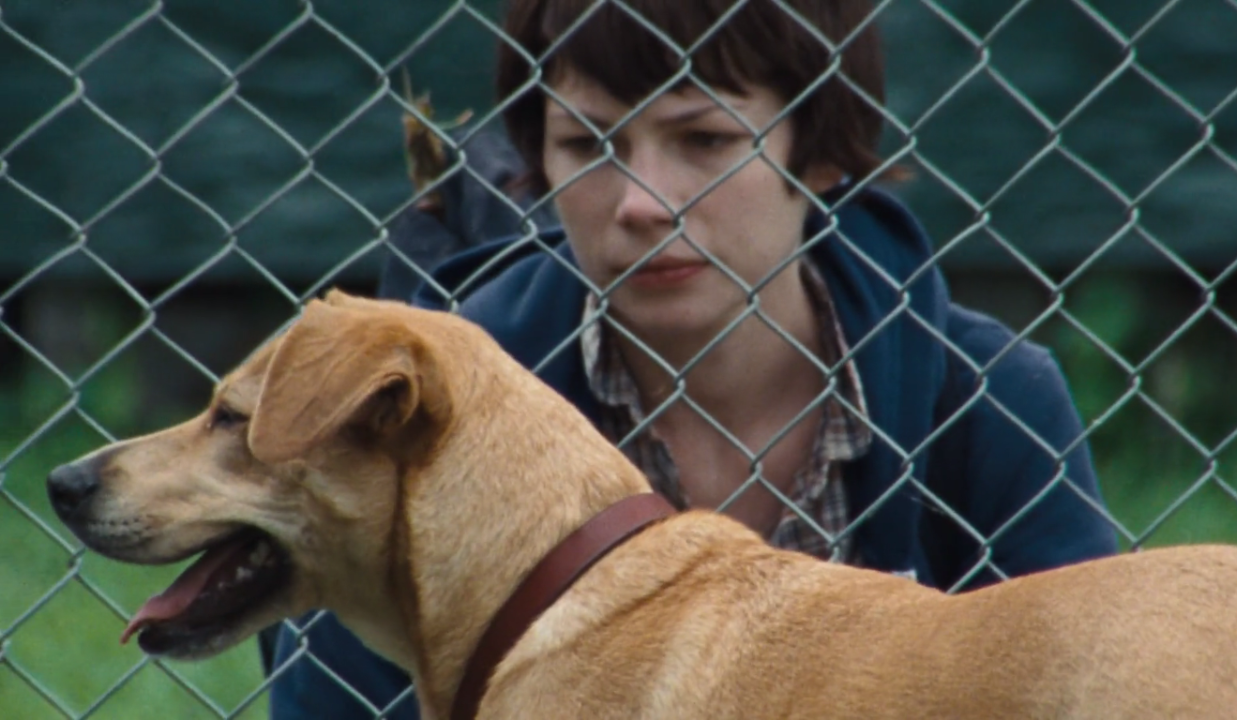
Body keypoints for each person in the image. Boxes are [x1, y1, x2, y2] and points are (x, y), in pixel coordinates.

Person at [266, 0, 1117, 717]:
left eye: (704, 138)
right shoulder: (416, 418)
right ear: (537, 161)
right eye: (589, 143)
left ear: (820, 151)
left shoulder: (989, 399)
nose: (642, 202)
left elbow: (1085, 685)